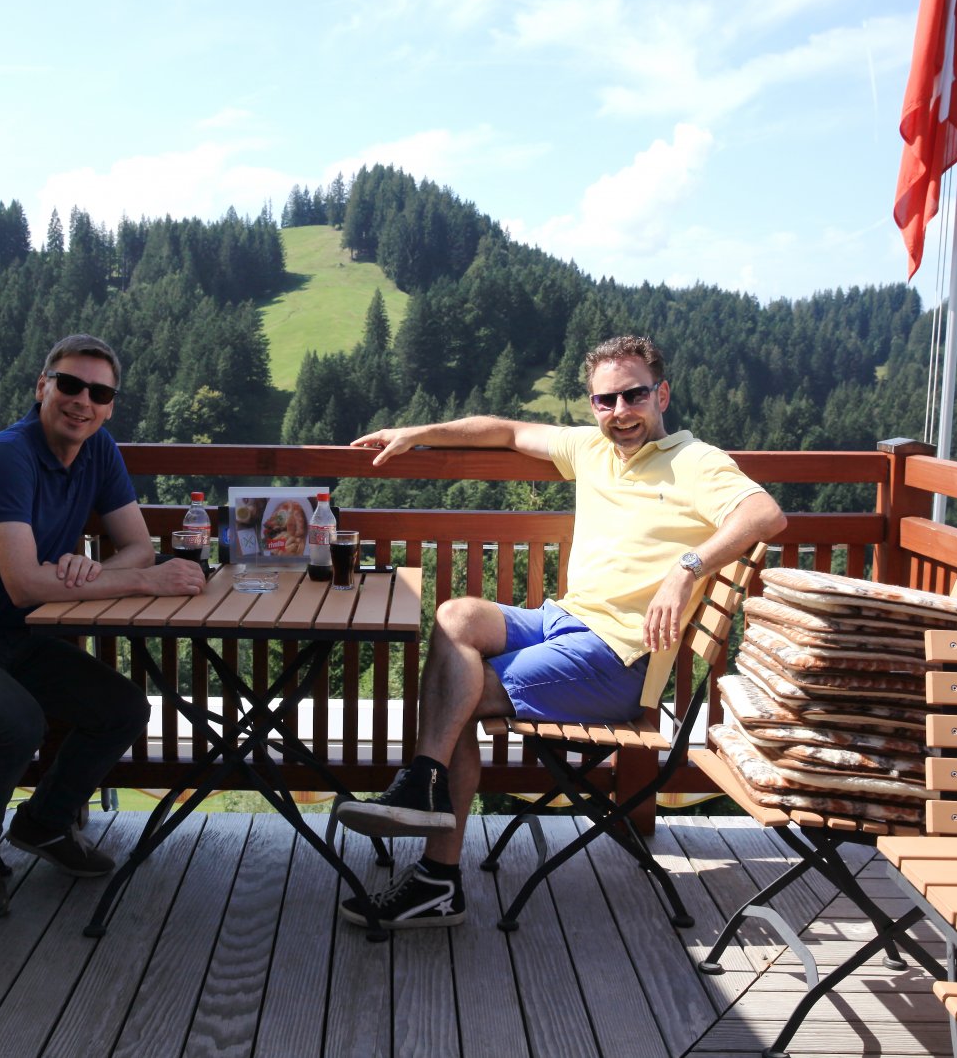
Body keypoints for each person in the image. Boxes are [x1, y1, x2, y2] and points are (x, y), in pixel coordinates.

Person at [337, 334, 786, 929]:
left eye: (634, 395)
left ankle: (434, 875)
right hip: (563, 622)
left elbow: (764, 514)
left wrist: (686, 570)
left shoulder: (695, 461)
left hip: (617, 660)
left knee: (456, 693)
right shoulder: (591, 447)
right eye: (605, 400)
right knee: (456, 617)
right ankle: (424, 785)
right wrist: (419, 432)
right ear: (593, 405)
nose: (620, 412)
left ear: (662, 394)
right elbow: (504, 431)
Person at [0, 334, 206, 918]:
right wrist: (142, 580)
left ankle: (44, 823)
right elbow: (25, 585)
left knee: (123, 708)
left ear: (110, 407)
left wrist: (93, 569)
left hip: (14, 639)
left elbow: (136, 545)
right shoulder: (6, 456)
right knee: (17, 722)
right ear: (42, 388)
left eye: (99, 393)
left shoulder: (98, 449)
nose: (83, 401)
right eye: (71, 385)